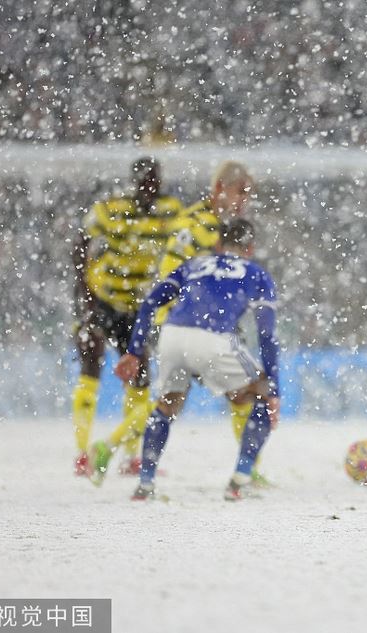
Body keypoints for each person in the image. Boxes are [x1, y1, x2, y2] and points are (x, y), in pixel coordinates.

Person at [89, 161, 259, 482]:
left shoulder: (216, 224)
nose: (244, 201)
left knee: (177, 399)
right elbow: (172, 275)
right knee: (235, 391)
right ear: (220, 189)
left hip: (198, 323)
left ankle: (109, 447)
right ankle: (248, 470)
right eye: (241, 192)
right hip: (183, 323)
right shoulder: (195, 224)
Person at [114, 219, 280, 501]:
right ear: (250, 248)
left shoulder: (194, 264)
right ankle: (239, 481)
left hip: (173, 335)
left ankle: (146, 483)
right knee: (260, 396)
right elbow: (266, 332)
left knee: (166, 407)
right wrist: (274, 387)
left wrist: (134, 349)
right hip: (216, 339)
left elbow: (151, 303)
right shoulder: (256, 273)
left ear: (217, 245)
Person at [70, 157, 181, 476]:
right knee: (91, 361)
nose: (150, 187)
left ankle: (132, 457)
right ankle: (81, 453)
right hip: (104, 299)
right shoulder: (112, 209)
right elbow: (80, 241)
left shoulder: (169, 211)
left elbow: (184, 240)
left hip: (138, 306)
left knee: (140, 374)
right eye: (145, 181)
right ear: (134, 182)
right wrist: (84, 295)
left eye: (154, 181)